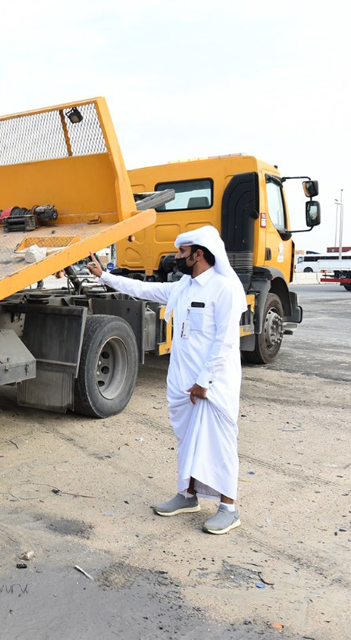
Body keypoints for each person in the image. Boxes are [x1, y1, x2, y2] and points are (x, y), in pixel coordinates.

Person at [86, 226, 247, 535]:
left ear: (198, 254)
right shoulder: (183, 287)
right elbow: (142, 290)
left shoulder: (224, 289)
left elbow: (225, 342)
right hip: (183, 384)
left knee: (219, 444)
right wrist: (103, 276)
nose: (176, 256)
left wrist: (204, 382)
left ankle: (228, 507)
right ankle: (188, 496)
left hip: (212, 386)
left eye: (182, 252)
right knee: (188, 442)